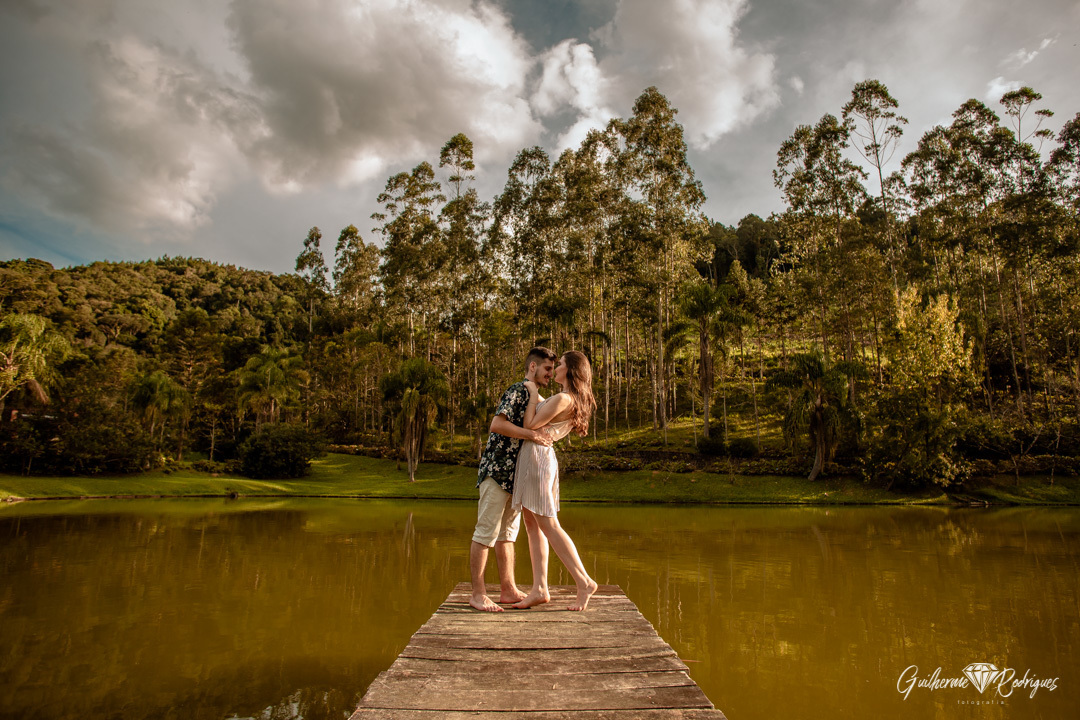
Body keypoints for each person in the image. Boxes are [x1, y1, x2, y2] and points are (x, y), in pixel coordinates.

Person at [469, 346, 557, 612]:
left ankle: (508, 590)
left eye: (553, 369)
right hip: (497, 471)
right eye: (547, 369)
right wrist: (531, 435)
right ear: (533, 366)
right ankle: (478, 595)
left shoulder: (538, 399)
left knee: (507, 534)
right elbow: (497, 424)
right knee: (485, 532)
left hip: (517, 477)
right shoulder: (519, 390)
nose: (550, 374)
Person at [511, 350, 599, 611]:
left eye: (559, 364)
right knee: (532, 524)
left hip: (538, 460)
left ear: (570, 370)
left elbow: (530, 424)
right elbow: (542, 409)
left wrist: (530, 391)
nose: (554, 369)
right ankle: (540, 588)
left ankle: (584, 581)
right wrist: (534, 391)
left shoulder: (563, 399)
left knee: (549, 524)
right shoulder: (564, 398)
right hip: (536, 458)